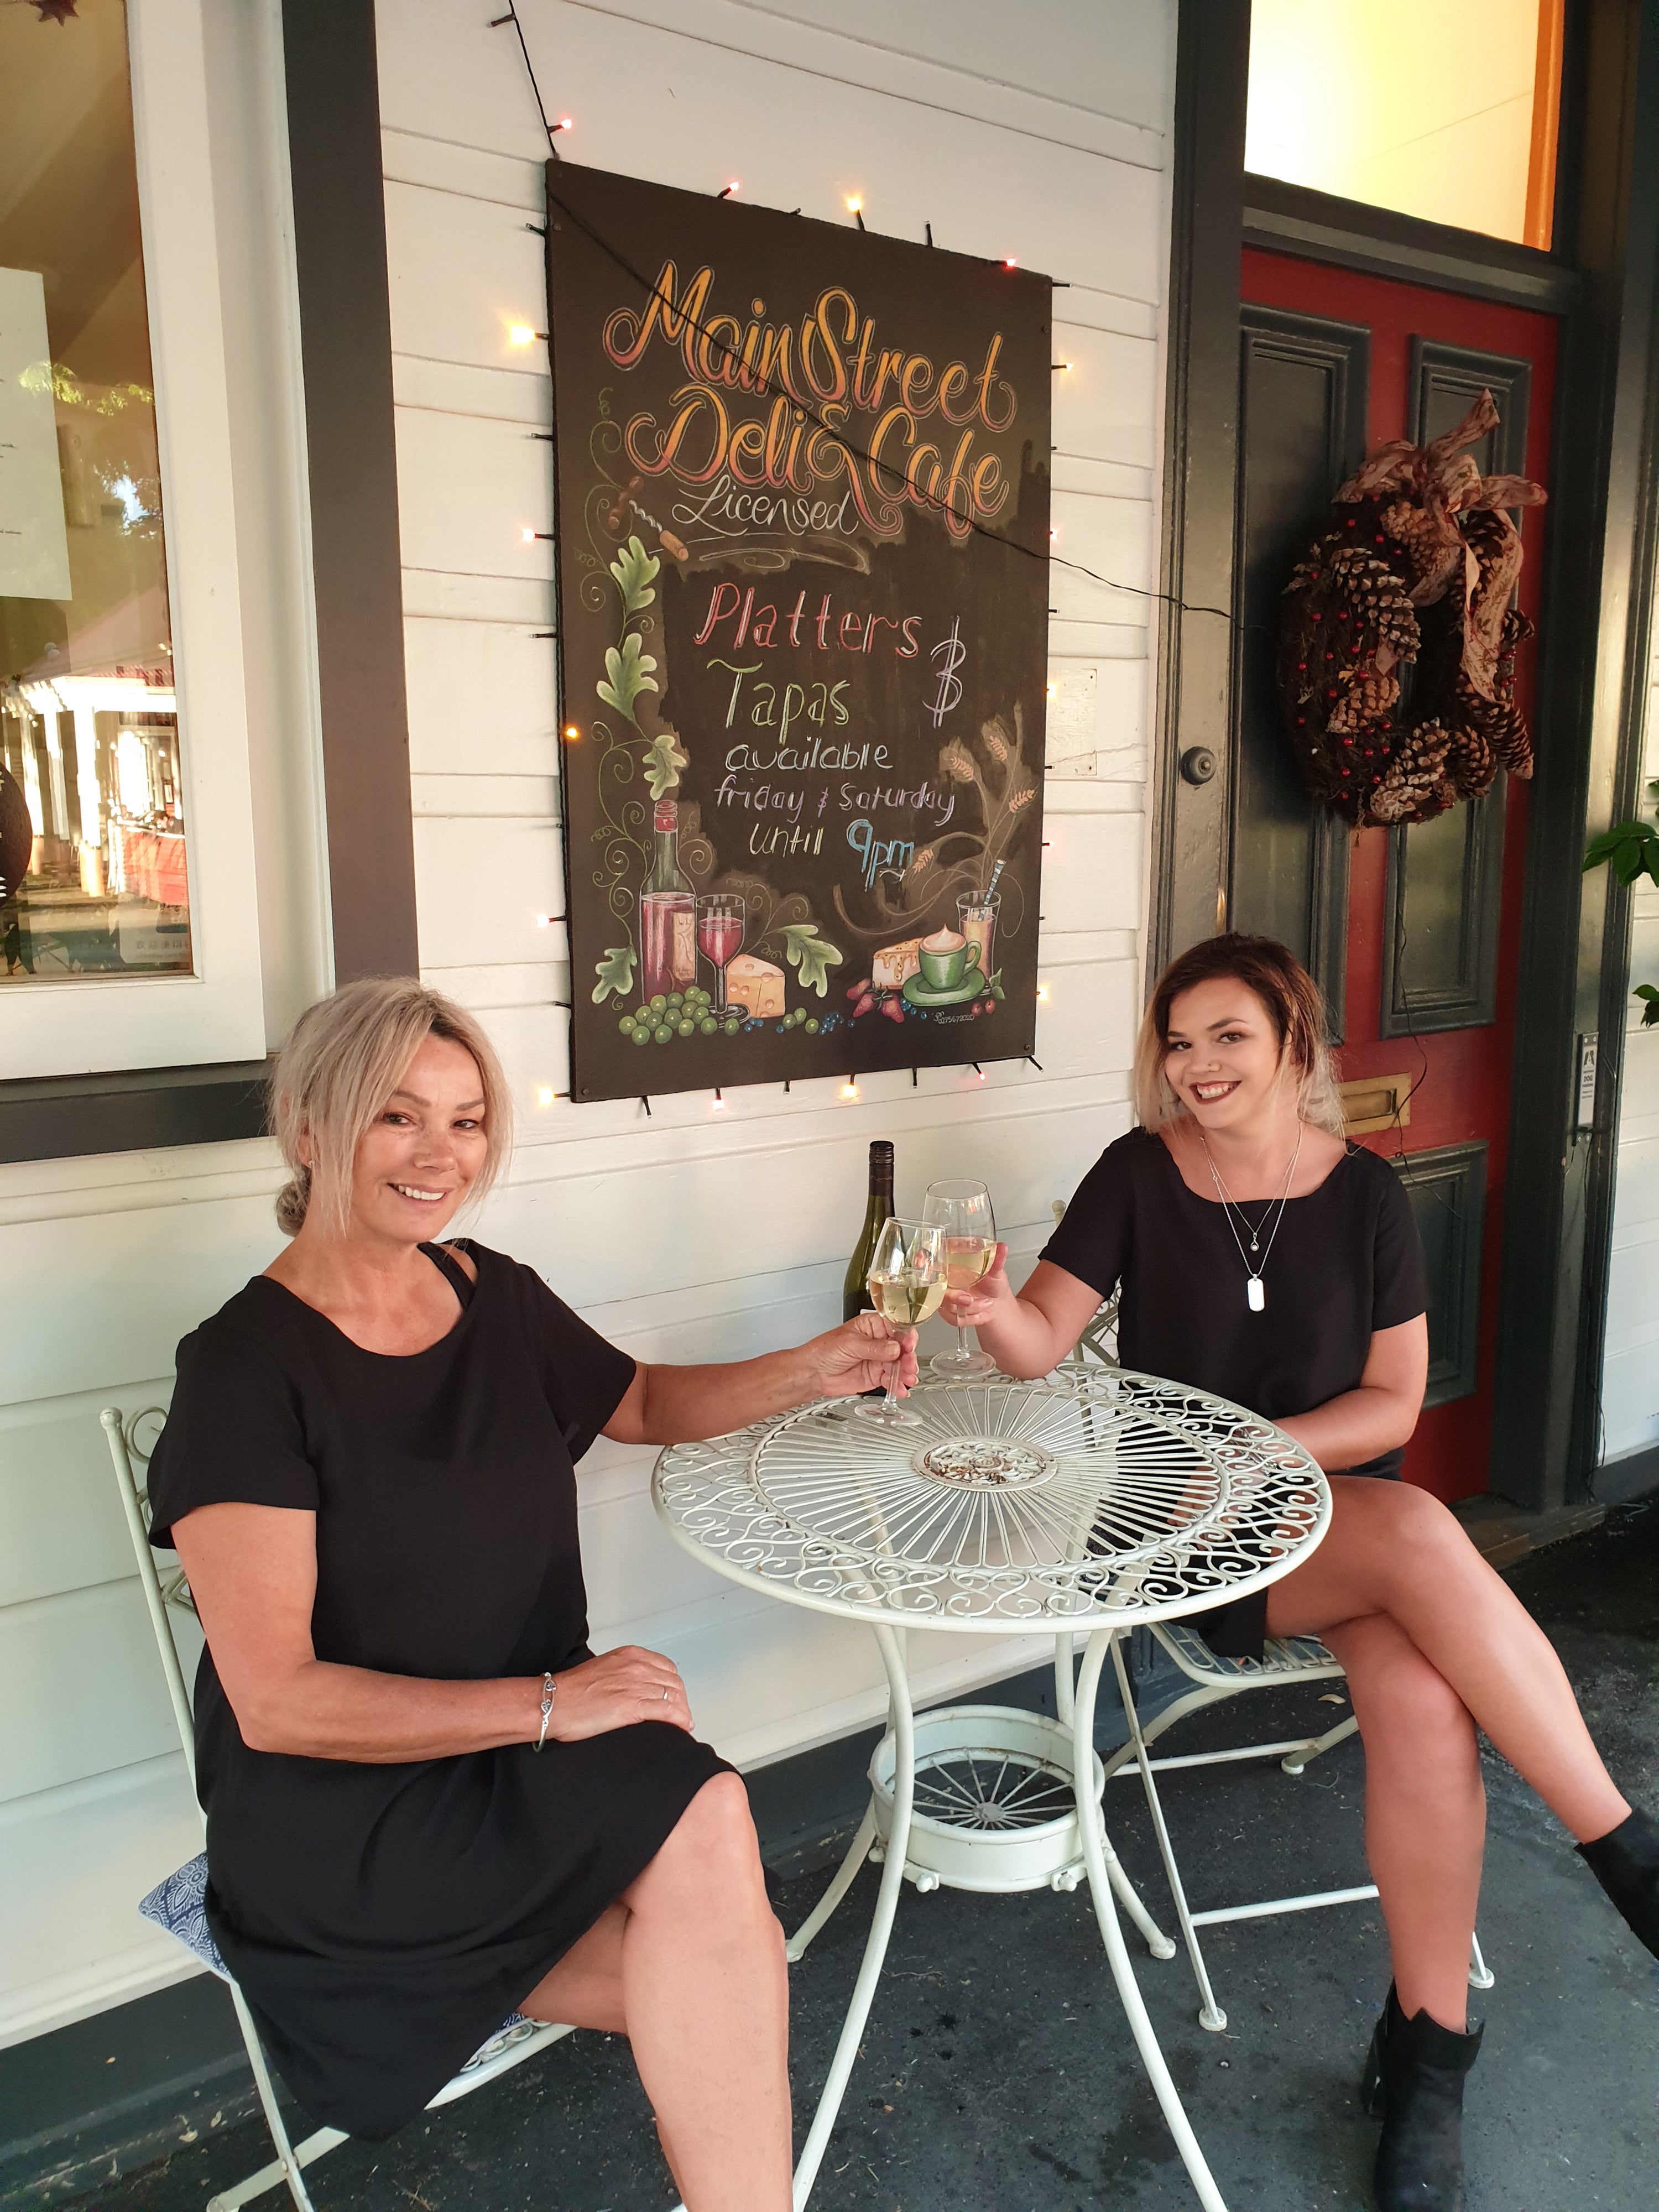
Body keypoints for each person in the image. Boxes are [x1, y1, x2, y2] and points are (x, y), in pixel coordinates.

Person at [145, 978, 921, 2212]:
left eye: (464, 1120)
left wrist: (819, 1367)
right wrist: (557, 1703)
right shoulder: (244, 1370)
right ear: (308, 1124)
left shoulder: (486, 1290)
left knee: (711, 1824)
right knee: (728, 1957)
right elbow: (280, 1702)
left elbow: (647, 1404)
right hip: (353, 1814)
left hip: (522, 1755)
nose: (438, 1153)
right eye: (396, 1115)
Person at [942, 932, 1658, 2212]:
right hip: (1185, 1531)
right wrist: (992, 1305)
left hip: (1333, 1523)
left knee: (1428, 1694)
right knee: (1427, 1536)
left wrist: (1255, 1450)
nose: (1198, 1064)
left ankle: (1428, 2057)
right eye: (1179, 1039)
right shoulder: (1137, 1173)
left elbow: (1390, 1401)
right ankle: (1624, 1848)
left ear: (1294, 1044)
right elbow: (1040, 1342)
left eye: (1228, 1036)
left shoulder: (1370, 1196)